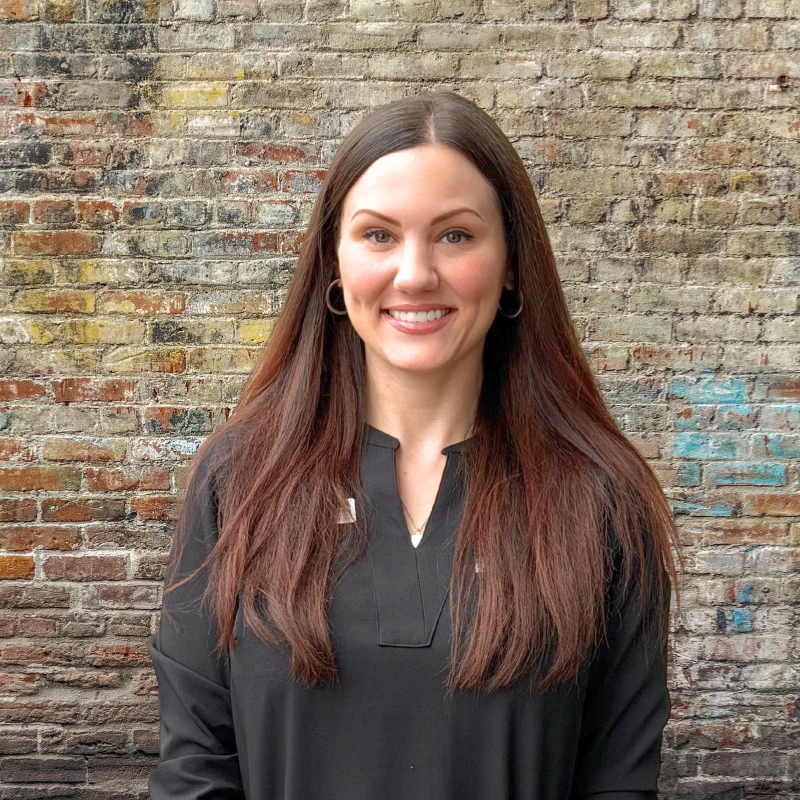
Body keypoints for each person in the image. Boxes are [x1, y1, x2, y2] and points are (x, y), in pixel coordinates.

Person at [147, 90, 683, 799]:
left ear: (512, 262)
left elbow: (619, 783)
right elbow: (195, 770)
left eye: (455, 235)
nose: (415, 273)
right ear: (335, 264)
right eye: (378, 235)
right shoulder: (242, 479)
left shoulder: (601, 498)